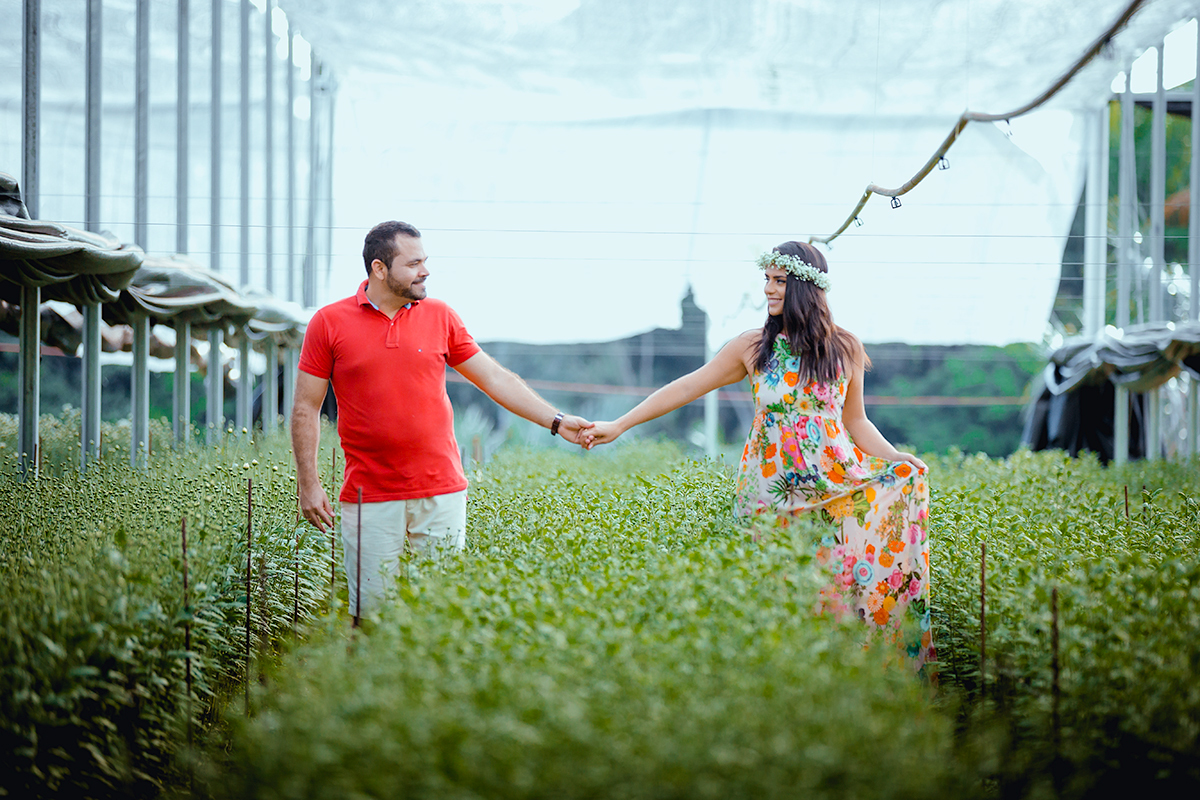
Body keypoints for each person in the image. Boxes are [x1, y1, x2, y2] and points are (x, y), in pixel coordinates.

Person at [584, 241, 934, 672]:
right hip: (769, 496)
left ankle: (845, 693)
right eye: (766, 280)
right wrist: (620, 425)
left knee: (833, 603)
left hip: (832, 492)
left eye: (779, 281)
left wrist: (896, 457)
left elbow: (857, 423)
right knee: (777, 604)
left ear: (806, 287)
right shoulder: (751, 348)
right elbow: (686, 387)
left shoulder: (845, 348)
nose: (768, 290)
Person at [292, 220, 593, 620]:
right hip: (369, 497)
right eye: (414, 263)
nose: (425, 271)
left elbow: (495, 378)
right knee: (370, 618)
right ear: (380, 269)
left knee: (440, 614)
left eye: (425, 261)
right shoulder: (329, 323)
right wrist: (308, 486)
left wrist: (556, 421)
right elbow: (304, 408)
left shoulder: (440, 316)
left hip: (441, 493)